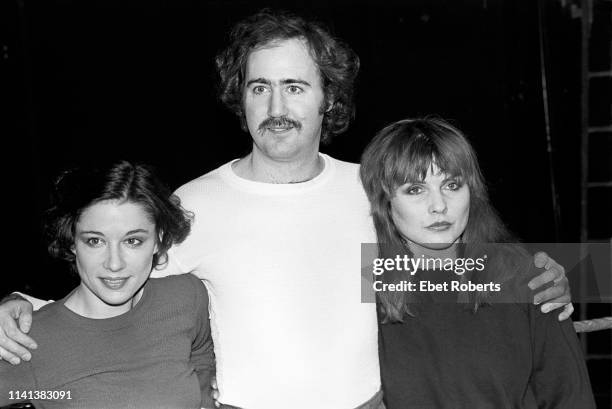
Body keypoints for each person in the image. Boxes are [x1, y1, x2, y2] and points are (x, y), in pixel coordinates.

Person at [0, 10, 571, 409]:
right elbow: (115, 281)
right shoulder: (192, 205)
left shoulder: (371, 191)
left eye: (296, 87)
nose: (276, 107)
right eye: (260, 87)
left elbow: (446, 267)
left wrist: (555, 275)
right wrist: (17, 306)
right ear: (239, 97)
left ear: (329, 98)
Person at [360, 118, 595, 408]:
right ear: (384, 202)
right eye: (415, 189)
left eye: (452, 184)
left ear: (472, 191)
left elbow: (571, 398)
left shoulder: (526, 277)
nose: (439, 205)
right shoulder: (364, 284)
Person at [0, 161, 215, 409]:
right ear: (72, 242)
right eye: (95, 241)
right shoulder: (27, 341)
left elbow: (202, 358)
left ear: (159, 241)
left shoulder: (185, 297)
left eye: (133, 241)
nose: (114, 264)